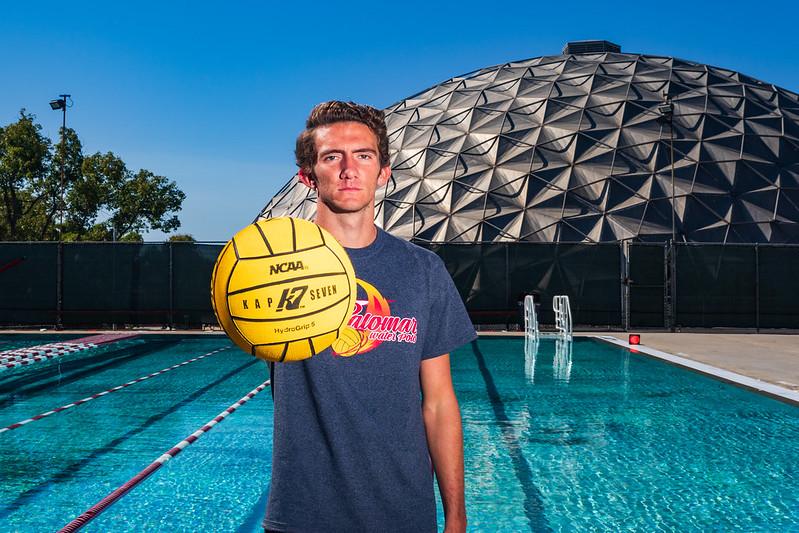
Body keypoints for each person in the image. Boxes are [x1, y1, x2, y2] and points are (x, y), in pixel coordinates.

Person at [263, 101, 476, 533]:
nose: (348, 169)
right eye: (331, 157)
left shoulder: (422, 270)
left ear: (383, 172)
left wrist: (456, 514)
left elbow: (438, 403)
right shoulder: (271, 270)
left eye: (363, 155)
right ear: (307, 176)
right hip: (303, 515)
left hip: (404, 513)